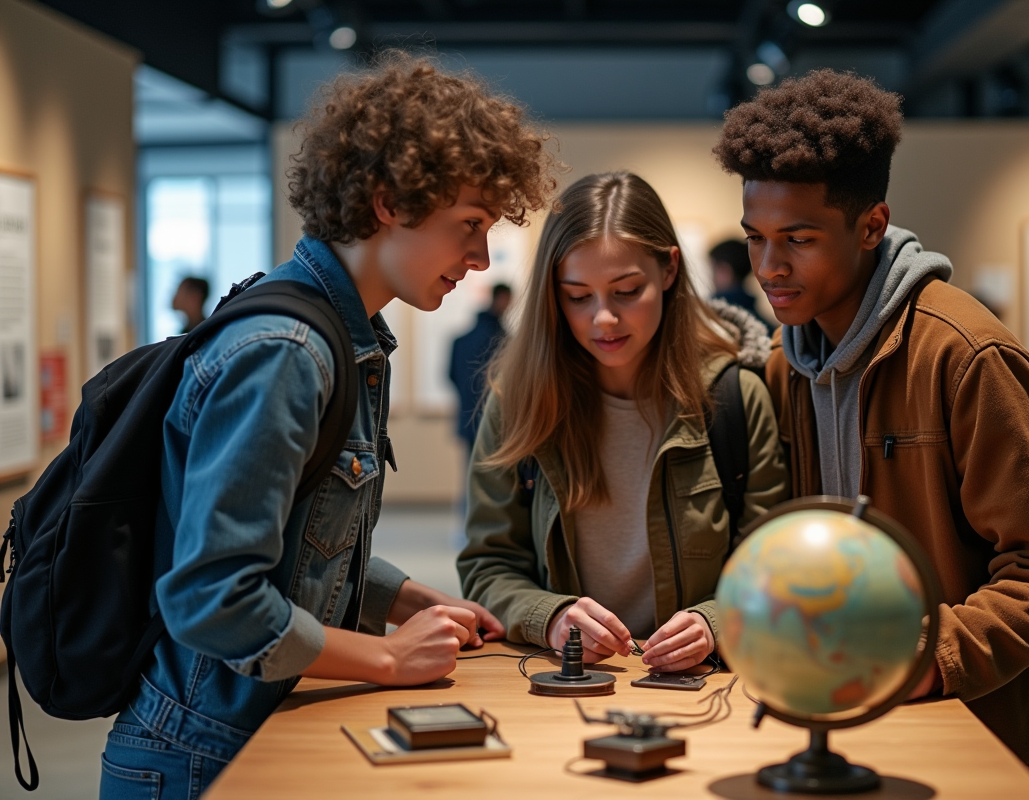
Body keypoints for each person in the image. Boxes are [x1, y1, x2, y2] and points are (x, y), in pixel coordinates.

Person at [98, 54, 558, 800]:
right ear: (388, 202)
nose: (478, 258)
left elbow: (298, 542)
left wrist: (408, 601)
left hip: (250, 726)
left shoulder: (346, 337)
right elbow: (212, 598)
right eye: (469, 226)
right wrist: (386, 659)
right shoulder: (288, 352)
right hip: (201, 752)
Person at [714, 69, 1029, 789]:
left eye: (797, 239)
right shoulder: (780, 366)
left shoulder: (966, 356)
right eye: (755, 239)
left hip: (982, 734)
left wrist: (922, 655)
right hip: (848, 719)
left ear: (871, 225)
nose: (769, 267)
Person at [458, 172, 789, 673]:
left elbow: (773, 566)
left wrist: (714, 622)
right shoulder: (520, 403)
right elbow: (488, 565)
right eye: (577, 296)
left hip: (705, 691)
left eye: (627, 290)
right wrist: (550, 617)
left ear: (670, 271)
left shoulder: (734, 397)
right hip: (564, 687)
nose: (603, 319)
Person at [450, 283, 512, 448]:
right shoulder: (501, 340)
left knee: (472, 470)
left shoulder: (462, 341)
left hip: (469, 419)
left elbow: (452, 376)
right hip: (496, 420)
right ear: (501, 298)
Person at [709, 238, 774, 329]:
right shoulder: (767, 327)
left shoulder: (709, 318)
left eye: (712, 270)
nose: (711, 277)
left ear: (724, 271)